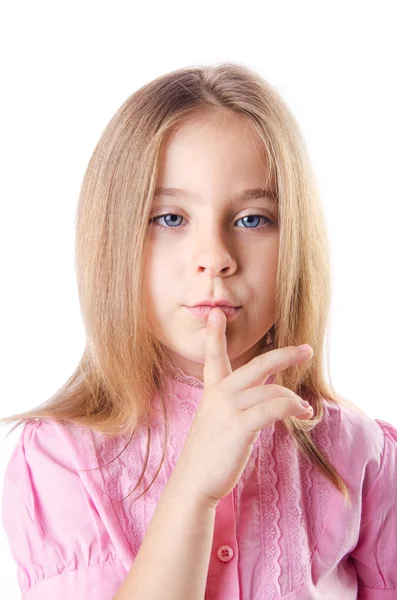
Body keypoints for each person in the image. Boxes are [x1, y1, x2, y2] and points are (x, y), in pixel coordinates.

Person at [1, 62, 396, 600]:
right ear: (113, 241)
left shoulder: (360, 451)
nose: (215, 258)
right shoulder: (60, 458)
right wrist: (192, 491)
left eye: (252, 219)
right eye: (169, 218)